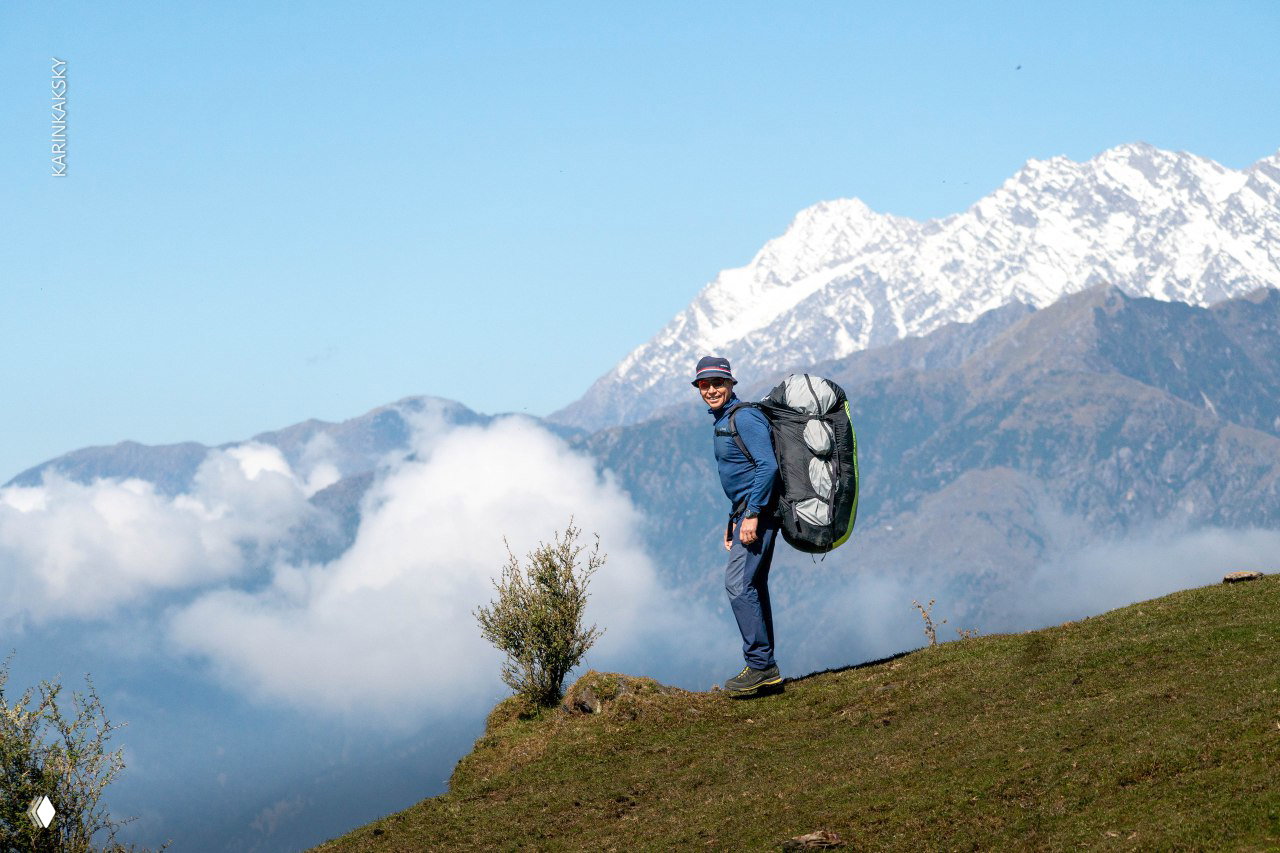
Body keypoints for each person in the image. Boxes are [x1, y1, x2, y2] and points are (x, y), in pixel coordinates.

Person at [692, 355, 783, 696]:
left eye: (718, 383)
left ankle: (761, 666)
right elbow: (742, 476)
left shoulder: (744, 418)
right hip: (746, 512)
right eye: (704, 384)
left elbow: (767, 466)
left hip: (760, 513)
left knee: (738, 585)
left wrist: (754, 513)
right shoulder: (725, 420)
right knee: (753, 585)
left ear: (731, 385)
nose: (711, 390)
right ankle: (766, 669)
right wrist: (734, 520)